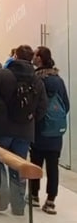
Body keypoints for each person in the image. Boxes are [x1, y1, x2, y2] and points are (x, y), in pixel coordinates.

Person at [0, 44, 47, 215]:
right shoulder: (37, 79)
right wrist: (30, 120)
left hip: (0, 128)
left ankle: (2, 190)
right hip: (25, 130)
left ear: (15, 56)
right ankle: (18, 205)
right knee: (20, 165)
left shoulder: (2, 74)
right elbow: (42, 106)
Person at [30, 46, 70, 214]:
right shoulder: (58, 80)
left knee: (35, 163)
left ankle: (34, 196)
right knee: (53, 167)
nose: (32, 57)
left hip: (39, 129)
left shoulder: (37, 79)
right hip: (55, 132)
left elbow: (34, 105)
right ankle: (51, 200)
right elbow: (66, 104)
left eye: (35, 54)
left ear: (40, 58)